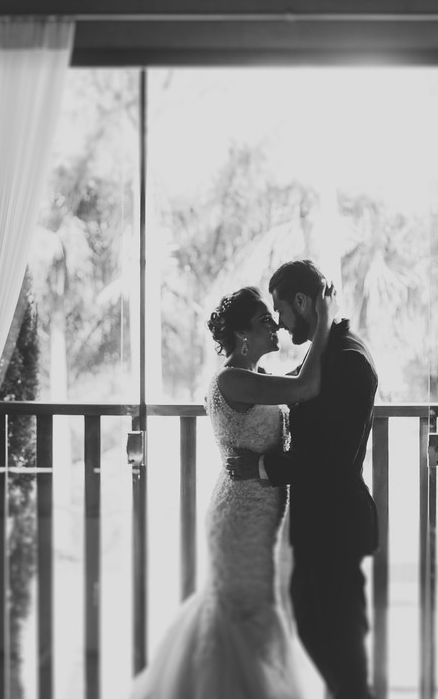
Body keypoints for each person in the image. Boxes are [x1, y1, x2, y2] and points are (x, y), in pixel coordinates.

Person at [130, 283, 334, 699]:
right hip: (242, 519)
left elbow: (298, 380)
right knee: (244, 620)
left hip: (260, 513)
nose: (275, 324)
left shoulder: (255, 376)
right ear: (242, 334)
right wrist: (326, 318)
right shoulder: (232, 381)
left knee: (255, 619)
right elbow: (304, 387)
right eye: (264, 320)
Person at [227, 260, 379, 699]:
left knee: (341, 651)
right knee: (320, 634)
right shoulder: (330, 353)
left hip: (336, 522)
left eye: (280, 308)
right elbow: (297, 387)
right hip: (319, 523)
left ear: (301, 302)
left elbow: (329, 458)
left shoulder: (348, 360)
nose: (278, 320)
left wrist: (261, 468)